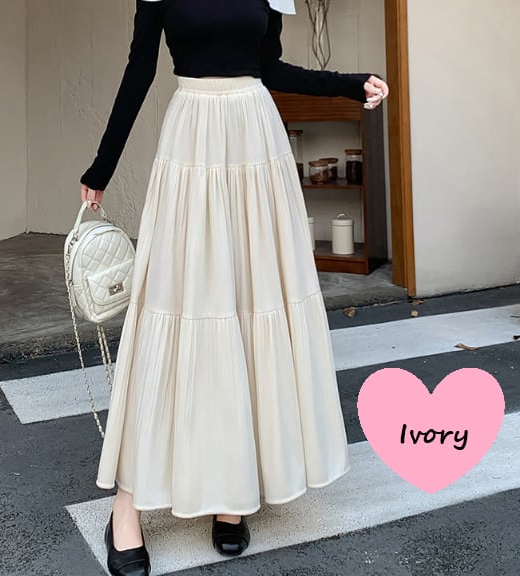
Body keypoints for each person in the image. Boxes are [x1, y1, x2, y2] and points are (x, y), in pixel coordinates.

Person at [79, 1, 388, 574]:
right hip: (192, 141)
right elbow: (140, 70)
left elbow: (269, 68)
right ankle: (126, 505)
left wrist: (349, 84)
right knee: (174, 309)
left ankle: (231, 494)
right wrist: (102, 166)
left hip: (255, 144)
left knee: (247, 306)